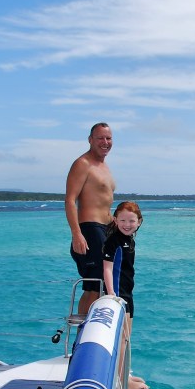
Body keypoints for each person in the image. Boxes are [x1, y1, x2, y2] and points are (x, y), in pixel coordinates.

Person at [65, 123, 115, 317]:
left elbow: (103, 203)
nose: (105, 142)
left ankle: (97, 323)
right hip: (90, 230)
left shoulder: (104, 167)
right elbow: (70, 200)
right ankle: (83, 330)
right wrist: (76, 233)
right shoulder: (83, 164)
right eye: (100, 138)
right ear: (90, 140)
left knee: (104, 284)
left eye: (108, 138)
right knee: (93, 286)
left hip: (105, 230)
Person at [102, 201, 147, 389]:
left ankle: (124, 374)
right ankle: (122, 382)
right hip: (119, 294)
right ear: (115, 220)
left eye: (131, 221)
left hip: (128, 293)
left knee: (127, 337)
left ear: (139, 222)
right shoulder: (113, 241)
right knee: (121, 339)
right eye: (122, 220)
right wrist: (111, 293)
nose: (127, 224)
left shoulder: (130, 241)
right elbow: (107, 268)